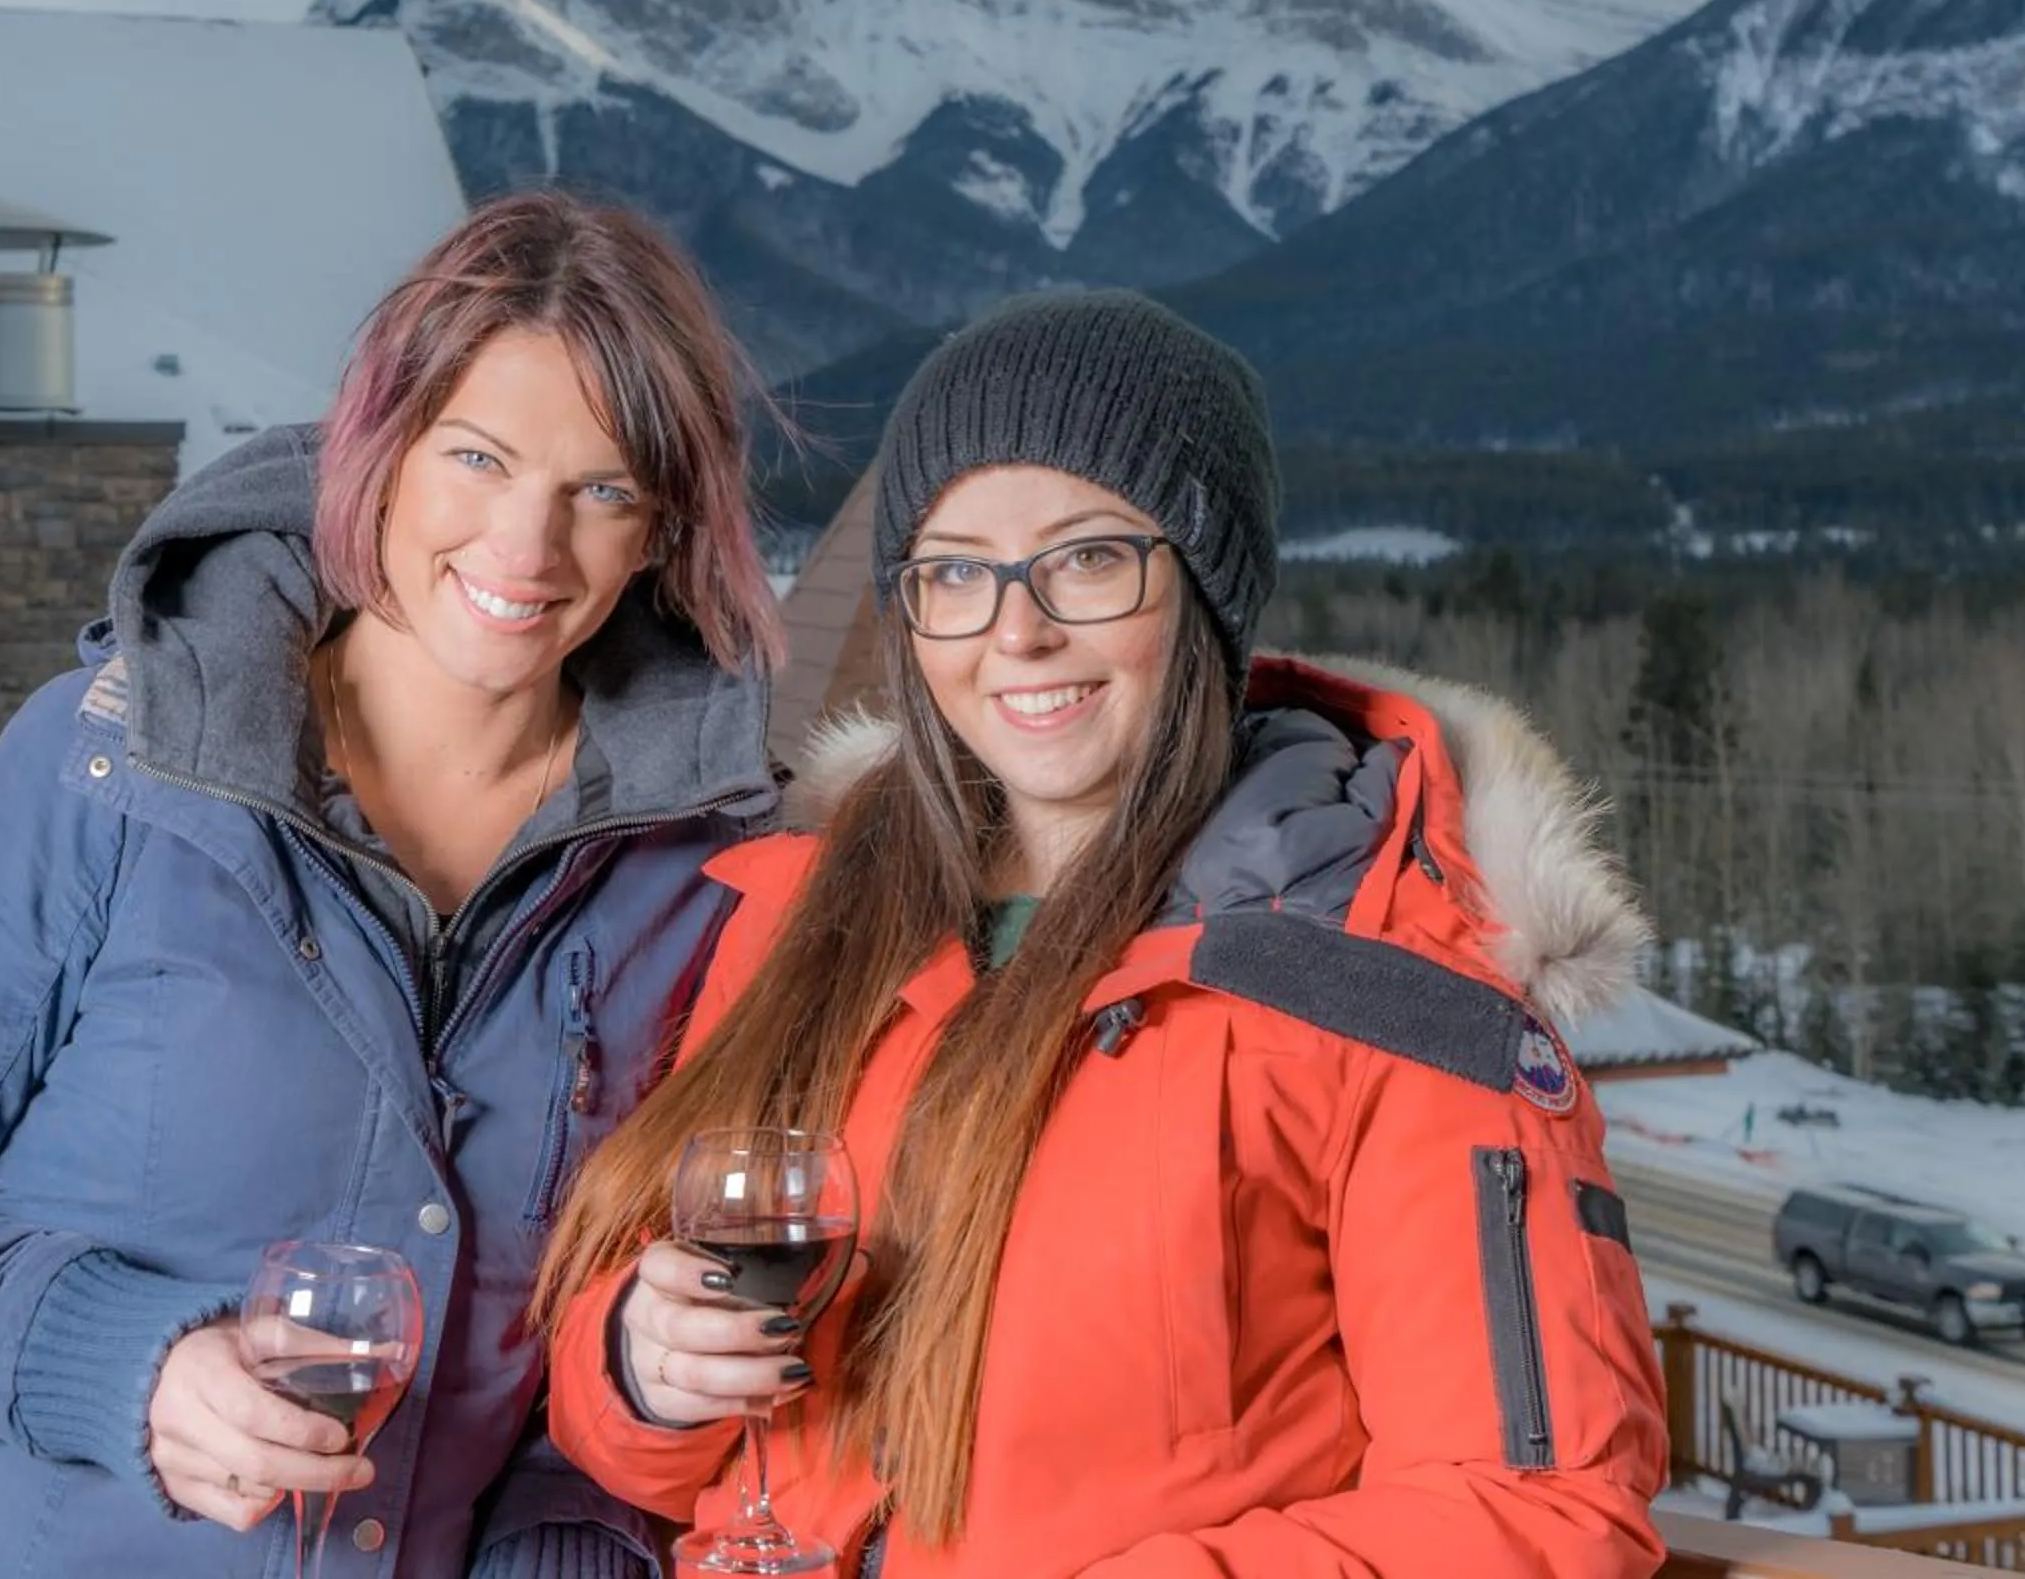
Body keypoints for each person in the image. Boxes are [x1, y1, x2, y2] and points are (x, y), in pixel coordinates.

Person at [0, 192, 785, 1578]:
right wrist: (125, 1364)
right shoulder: (112, 764)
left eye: (601, 488)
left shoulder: (700, 878)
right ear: (377, 448)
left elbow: (587, 1377)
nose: (527, 547)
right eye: (477, 456)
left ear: (661, 526)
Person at [538, 292, 1671, 1578]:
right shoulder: (808, 914)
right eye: (956, 571)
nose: (1016, 631)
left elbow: (1543, 1513)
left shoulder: (1381, 980)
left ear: (1205, 586)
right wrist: (643, 1364)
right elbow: (628, 1418)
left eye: (1085, 558)